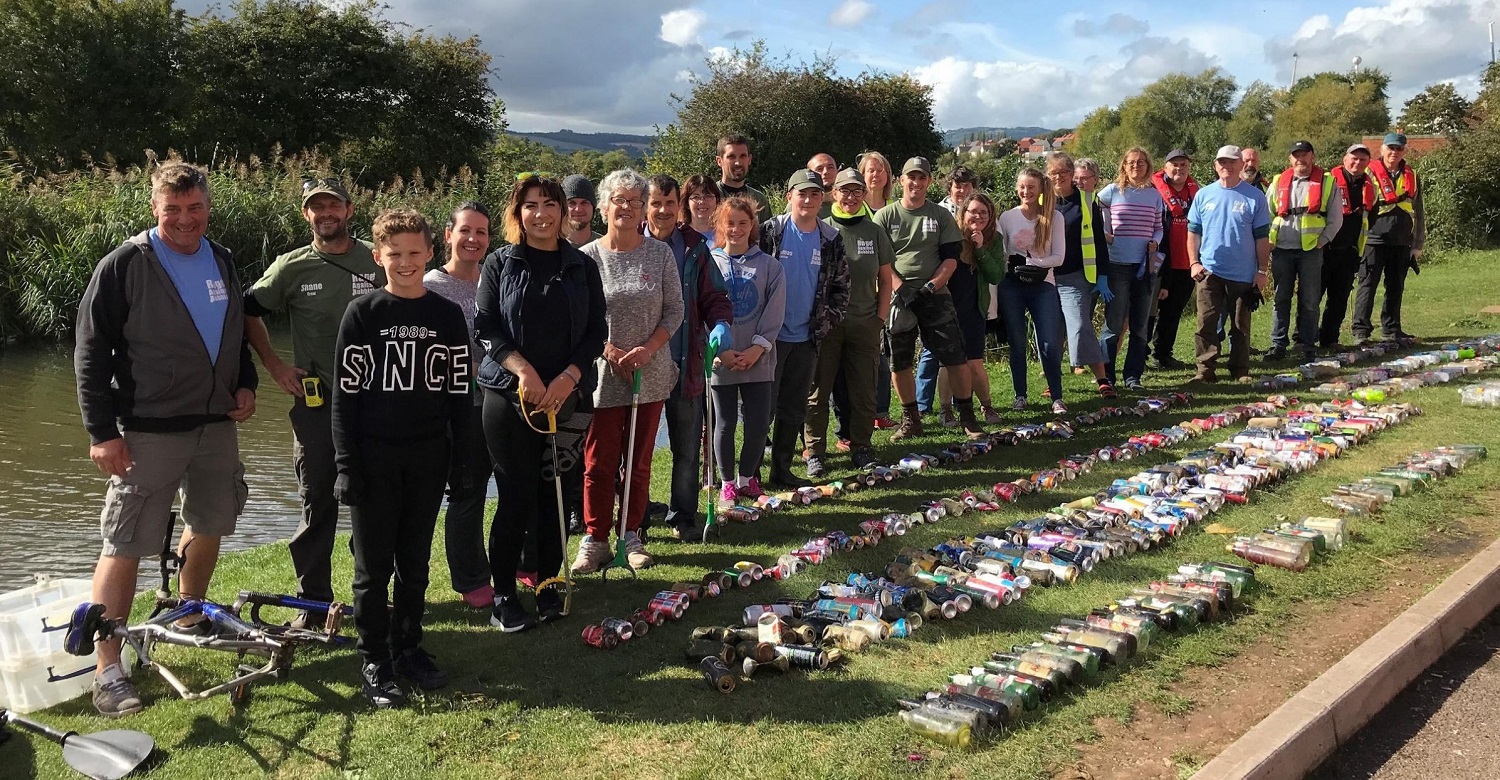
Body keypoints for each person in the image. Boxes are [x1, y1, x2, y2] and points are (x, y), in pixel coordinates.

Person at [74, 162, 257, 717]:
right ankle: (109, 667)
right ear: (155, 208)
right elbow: (89, 351)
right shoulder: (126, 264)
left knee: (210, 521)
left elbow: (234, 334)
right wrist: (102, 432)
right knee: (125, 539)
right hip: (148, 430)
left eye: (195, 208)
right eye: (173, 209)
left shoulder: (221, 258)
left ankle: (191, 612)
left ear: (207, 207)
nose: (185, 219)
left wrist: (245, 383)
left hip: (216, 426)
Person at [332, 209, 470, 708]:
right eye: (395, 255)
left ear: (430, 252)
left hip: (429, 455)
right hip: (373, 457)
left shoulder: (447, 315)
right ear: (378, 258)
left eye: (415, 253)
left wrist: (460, 459)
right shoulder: (363, 314)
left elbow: (459, 393)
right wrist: (346, 465)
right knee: (373, 567)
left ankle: (409, 646)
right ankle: (375, 659)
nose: (406, 263)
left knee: (414, 562)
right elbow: (344, 397)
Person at [243, 177, 381, 626]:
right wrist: (276, 367)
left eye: (333, 205)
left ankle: (372, 597)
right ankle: (315, 603)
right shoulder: (290, 267)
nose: (326, 213)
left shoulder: (375, 258)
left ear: (349, 209)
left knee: (374, 501)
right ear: (307, 214)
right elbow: (247, 311)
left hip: (376, 401)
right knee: (317, 499)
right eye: (316, 206)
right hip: (318, 404)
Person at [475, 174, 606, 631]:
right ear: (519, 212)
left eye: (550, 204)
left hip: (568, 397)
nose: (542, 213)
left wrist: (569, 377)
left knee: (555, 496)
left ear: (564, 212)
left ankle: (550, 583)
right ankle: (505, 594)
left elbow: (596, 332)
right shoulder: (499, 264)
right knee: (514, 496)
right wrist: (524, 371)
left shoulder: (582, 266)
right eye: (531, 205)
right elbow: (487, 326)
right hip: (509, 397)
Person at [574, 169, 684, 573]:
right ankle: (596, 538)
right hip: (603, 378)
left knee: (638, 460)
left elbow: (675, 309)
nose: (626, 207)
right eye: (618, 200)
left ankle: (631, 533)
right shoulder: (587, 258)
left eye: (635, 201)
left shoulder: (659, 254)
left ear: (642, 210)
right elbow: (579, 318)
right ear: (603, 207)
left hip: (648, 375)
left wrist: (647, 350)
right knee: (599, 462)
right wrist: (610, 351)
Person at [645, 174, 732, 542]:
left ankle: (683, 516)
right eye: (655, 203)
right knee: (639, 450)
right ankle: (636, 517)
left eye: (669, 203)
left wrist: (721, 323)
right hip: (644, 367)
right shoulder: (631, 245)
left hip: (687, 361)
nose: (663, 210)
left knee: (685, 447)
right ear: (645, 207)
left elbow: (715, 296)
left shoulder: (695, 246)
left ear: (677, 206)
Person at [876, 157, 985, 438]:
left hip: (935, 293)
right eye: (911, 177)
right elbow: (880, 262)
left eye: (922, 177)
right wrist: (900, 288)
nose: (916, 182)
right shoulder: (885, 216)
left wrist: (931, 287)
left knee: (955, 356)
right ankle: (911, 419)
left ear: (929, 181)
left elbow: (951, 259)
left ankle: (967, 417)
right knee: (899, 362)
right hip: (898, 296)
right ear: (901, 180)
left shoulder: (940, 216)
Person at [422, 202, 496, 609]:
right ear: (448, 235)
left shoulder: (493, 280)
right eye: (465, 231)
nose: (473, 239)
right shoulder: (432, 285)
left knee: (499, 486)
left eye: (481, 232)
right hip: (454, 406)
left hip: (497, 402)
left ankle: (510, 563)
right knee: (466, 491)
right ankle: (470, 579)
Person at [758, 169, 850, 486]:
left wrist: (824, 325)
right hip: (767, 339)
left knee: (794, 408)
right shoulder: (770, 231)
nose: (808, 200)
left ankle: (781, 470)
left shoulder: (831, 238)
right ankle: (750, 474)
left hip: (807, 338)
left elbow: (842, 288)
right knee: (762, 409)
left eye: (814, 194)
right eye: (802, 193)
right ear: (789, 197)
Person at [806, 168, 893, 475]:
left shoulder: (874, 231)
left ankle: (862, 447)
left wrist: (879, 320)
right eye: (845, 191)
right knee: (818, 390)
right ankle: (814, 451)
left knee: (863, 391)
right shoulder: (821, 228)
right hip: (827, 326)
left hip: (864, 323)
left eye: (857, 192)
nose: (852, 197)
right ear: (834, 193)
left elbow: (886, 278)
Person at [710, 197, 786, 504]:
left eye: (743, 223)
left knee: (757, 423)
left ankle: (747, 479)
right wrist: (722, 352)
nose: (736, 229)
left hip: (759, 359)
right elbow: (701, 309)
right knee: (725, 423)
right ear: (720, 225)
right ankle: (727, 483)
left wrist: (757, 349)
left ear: (752, 225)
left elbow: (775, 310)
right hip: (721, 359)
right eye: (730, 223)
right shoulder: (709, 263)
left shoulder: (770, 266)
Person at [1186, 146, 1271, 383]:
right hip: (1209, 271)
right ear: (1215, 166)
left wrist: (1262, 271)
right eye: (1222, 162)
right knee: (1206, 322)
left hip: (1243, 273)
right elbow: (1193, 232)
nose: (1227, 166)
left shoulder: (1255, 196)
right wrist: (1194, 262)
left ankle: (1240, 370)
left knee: (1240, 325)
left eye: (1232, 162)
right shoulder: (1203, 195)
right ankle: (1205, 370)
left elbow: (1262, 237)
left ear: (1241, 164)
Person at [993, 167, 1067, 412]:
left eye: (1031, 187)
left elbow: (1058, 257)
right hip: (1012, 286)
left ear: (1040, 190)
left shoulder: (1054, 217)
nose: (1026, 191)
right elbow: (1002, 255)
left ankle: (1056, 396)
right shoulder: (1007, 217)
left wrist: (1030, 263)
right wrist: (1010, 265)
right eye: (1022, 187)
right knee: (1017, 342)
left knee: (1049, 343)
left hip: (1043, 284)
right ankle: (1020, 395)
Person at [1265, 140, 1343, 362]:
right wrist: (1269, 241)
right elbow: (1268, 213)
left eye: (1305, 155)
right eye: (1296, 155)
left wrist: (1323, 241)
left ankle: (1307, 344)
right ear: (1290, 159)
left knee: (1309, 300)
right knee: (1281, 298)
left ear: (1312, 157)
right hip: (1282, 249)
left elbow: (1336, 218)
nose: (1300, 159)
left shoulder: (1327, 182)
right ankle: (1278, 344)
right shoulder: (1278, 182)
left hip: (1311, 250)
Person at [1045, 152, 1115, 398]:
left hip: (1076, 275)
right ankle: (1052, 382)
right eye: (1053, 173)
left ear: (1071, 175)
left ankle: (1102, 378)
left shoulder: (1087, 201)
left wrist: (1103, 275)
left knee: (1080, 325)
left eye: (1063, 172)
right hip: (1046, 276)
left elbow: (1098, 240)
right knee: (1051, 330)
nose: (1058, 177)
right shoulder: (1042, 201)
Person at [1096, 147, 1165, 390]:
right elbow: (1095, 211)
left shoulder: (1154, 196)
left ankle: (1132, 376)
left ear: (1148, 166)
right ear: (1124, 166)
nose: (1137, 166)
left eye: (1142, 162)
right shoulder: (1112, 191)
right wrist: (1105, 233)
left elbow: (1159, 226)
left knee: (1140, 325)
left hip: (1145, 267)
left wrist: (1156, 240)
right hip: (1117, 265)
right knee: (1113, 325)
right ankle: (1108, 377)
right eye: (1132, 162)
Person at [920, 165, 982, 423]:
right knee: (930, 350)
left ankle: (960, 401)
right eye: (958, 186)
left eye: (967, 186)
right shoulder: (937, 213)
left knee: (960, 350)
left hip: (966, 287)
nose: (962, 190)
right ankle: (922, 405)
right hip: (940, 283)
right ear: (950, 188)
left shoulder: (978, 211)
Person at [1352, 132, 1426, 344]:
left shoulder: (1411, 174)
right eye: (1391, 148)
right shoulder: (1368, 172)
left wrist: (1417, 243)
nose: (1394, 152)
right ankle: (1361, 331)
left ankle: (1392, 329)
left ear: (1404, 151)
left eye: (1399, 149)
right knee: (1367, 284)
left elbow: (1419, 211)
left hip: (1402, 239)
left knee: (1395, 286)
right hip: (1374, 237)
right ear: (1382, 149)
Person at [949, 192, 1005, 419]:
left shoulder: (994, 238)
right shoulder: (950, 235)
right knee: (948, 364)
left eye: (984, 212)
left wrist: (980, 248)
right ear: (964, 213)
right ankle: (947, 410)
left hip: (974, 308)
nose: (979, 216)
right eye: (974, 211)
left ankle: (986, 406)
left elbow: (996, 276)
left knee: (974, 362)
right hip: (949, 307)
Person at [854, 150, 897, 429]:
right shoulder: (853, 209)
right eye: (870, 170)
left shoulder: (895, 208)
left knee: (885, 356)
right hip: (861, 296)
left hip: (890, 289)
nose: (876, 175)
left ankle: (881, 411)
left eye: (881, 170)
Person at [1149, 149, 1200, 369]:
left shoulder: (1197, 192)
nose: (1179, 169)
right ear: (1165, 167)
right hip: (1158, 261)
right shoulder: (1153, 190)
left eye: (1183, 165)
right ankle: (1140, 354)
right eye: (1174, 165)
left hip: (1185, 261)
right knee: (1148, 312)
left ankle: (1163, 354)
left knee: (1174, 312)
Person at [1320, 144, 1374, 349]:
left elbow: (1372, 218)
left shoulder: (1370, 186)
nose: (1357, 163)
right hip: (1324, 248)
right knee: (1312, 297)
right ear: (1344, 159)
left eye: (1362, 159)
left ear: (1368, 163)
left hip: (1350, 251)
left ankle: (1329, 339)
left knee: (1339, 298)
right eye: (1354, 158)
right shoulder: (1327, 181)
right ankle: (1303, 340)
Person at [716, 133, 771, 222]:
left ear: (749, 159)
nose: (738, 163)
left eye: (743, 156)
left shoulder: (759, 200)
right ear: (719, 161)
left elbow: (766, 234)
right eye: (731, 157)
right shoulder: (710, 197)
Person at [683, 175, 723, 246]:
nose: (702, 201)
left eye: (708, 196)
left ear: (717, 201)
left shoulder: (726, 234)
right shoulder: (679, 236)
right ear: (687, 203)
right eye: (696, 197)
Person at [563, 174, 602, 248]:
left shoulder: (606, 247)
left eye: (584, 203)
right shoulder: (550, 247)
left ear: (593, 207)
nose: (578, 209)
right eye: (572, 203)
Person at [808, 152, 838, 218]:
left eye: (830, 167)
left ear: (837, 171)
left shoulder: (849, 202)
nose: (826, 172)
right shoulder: (802, 205)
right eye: (819, 169)